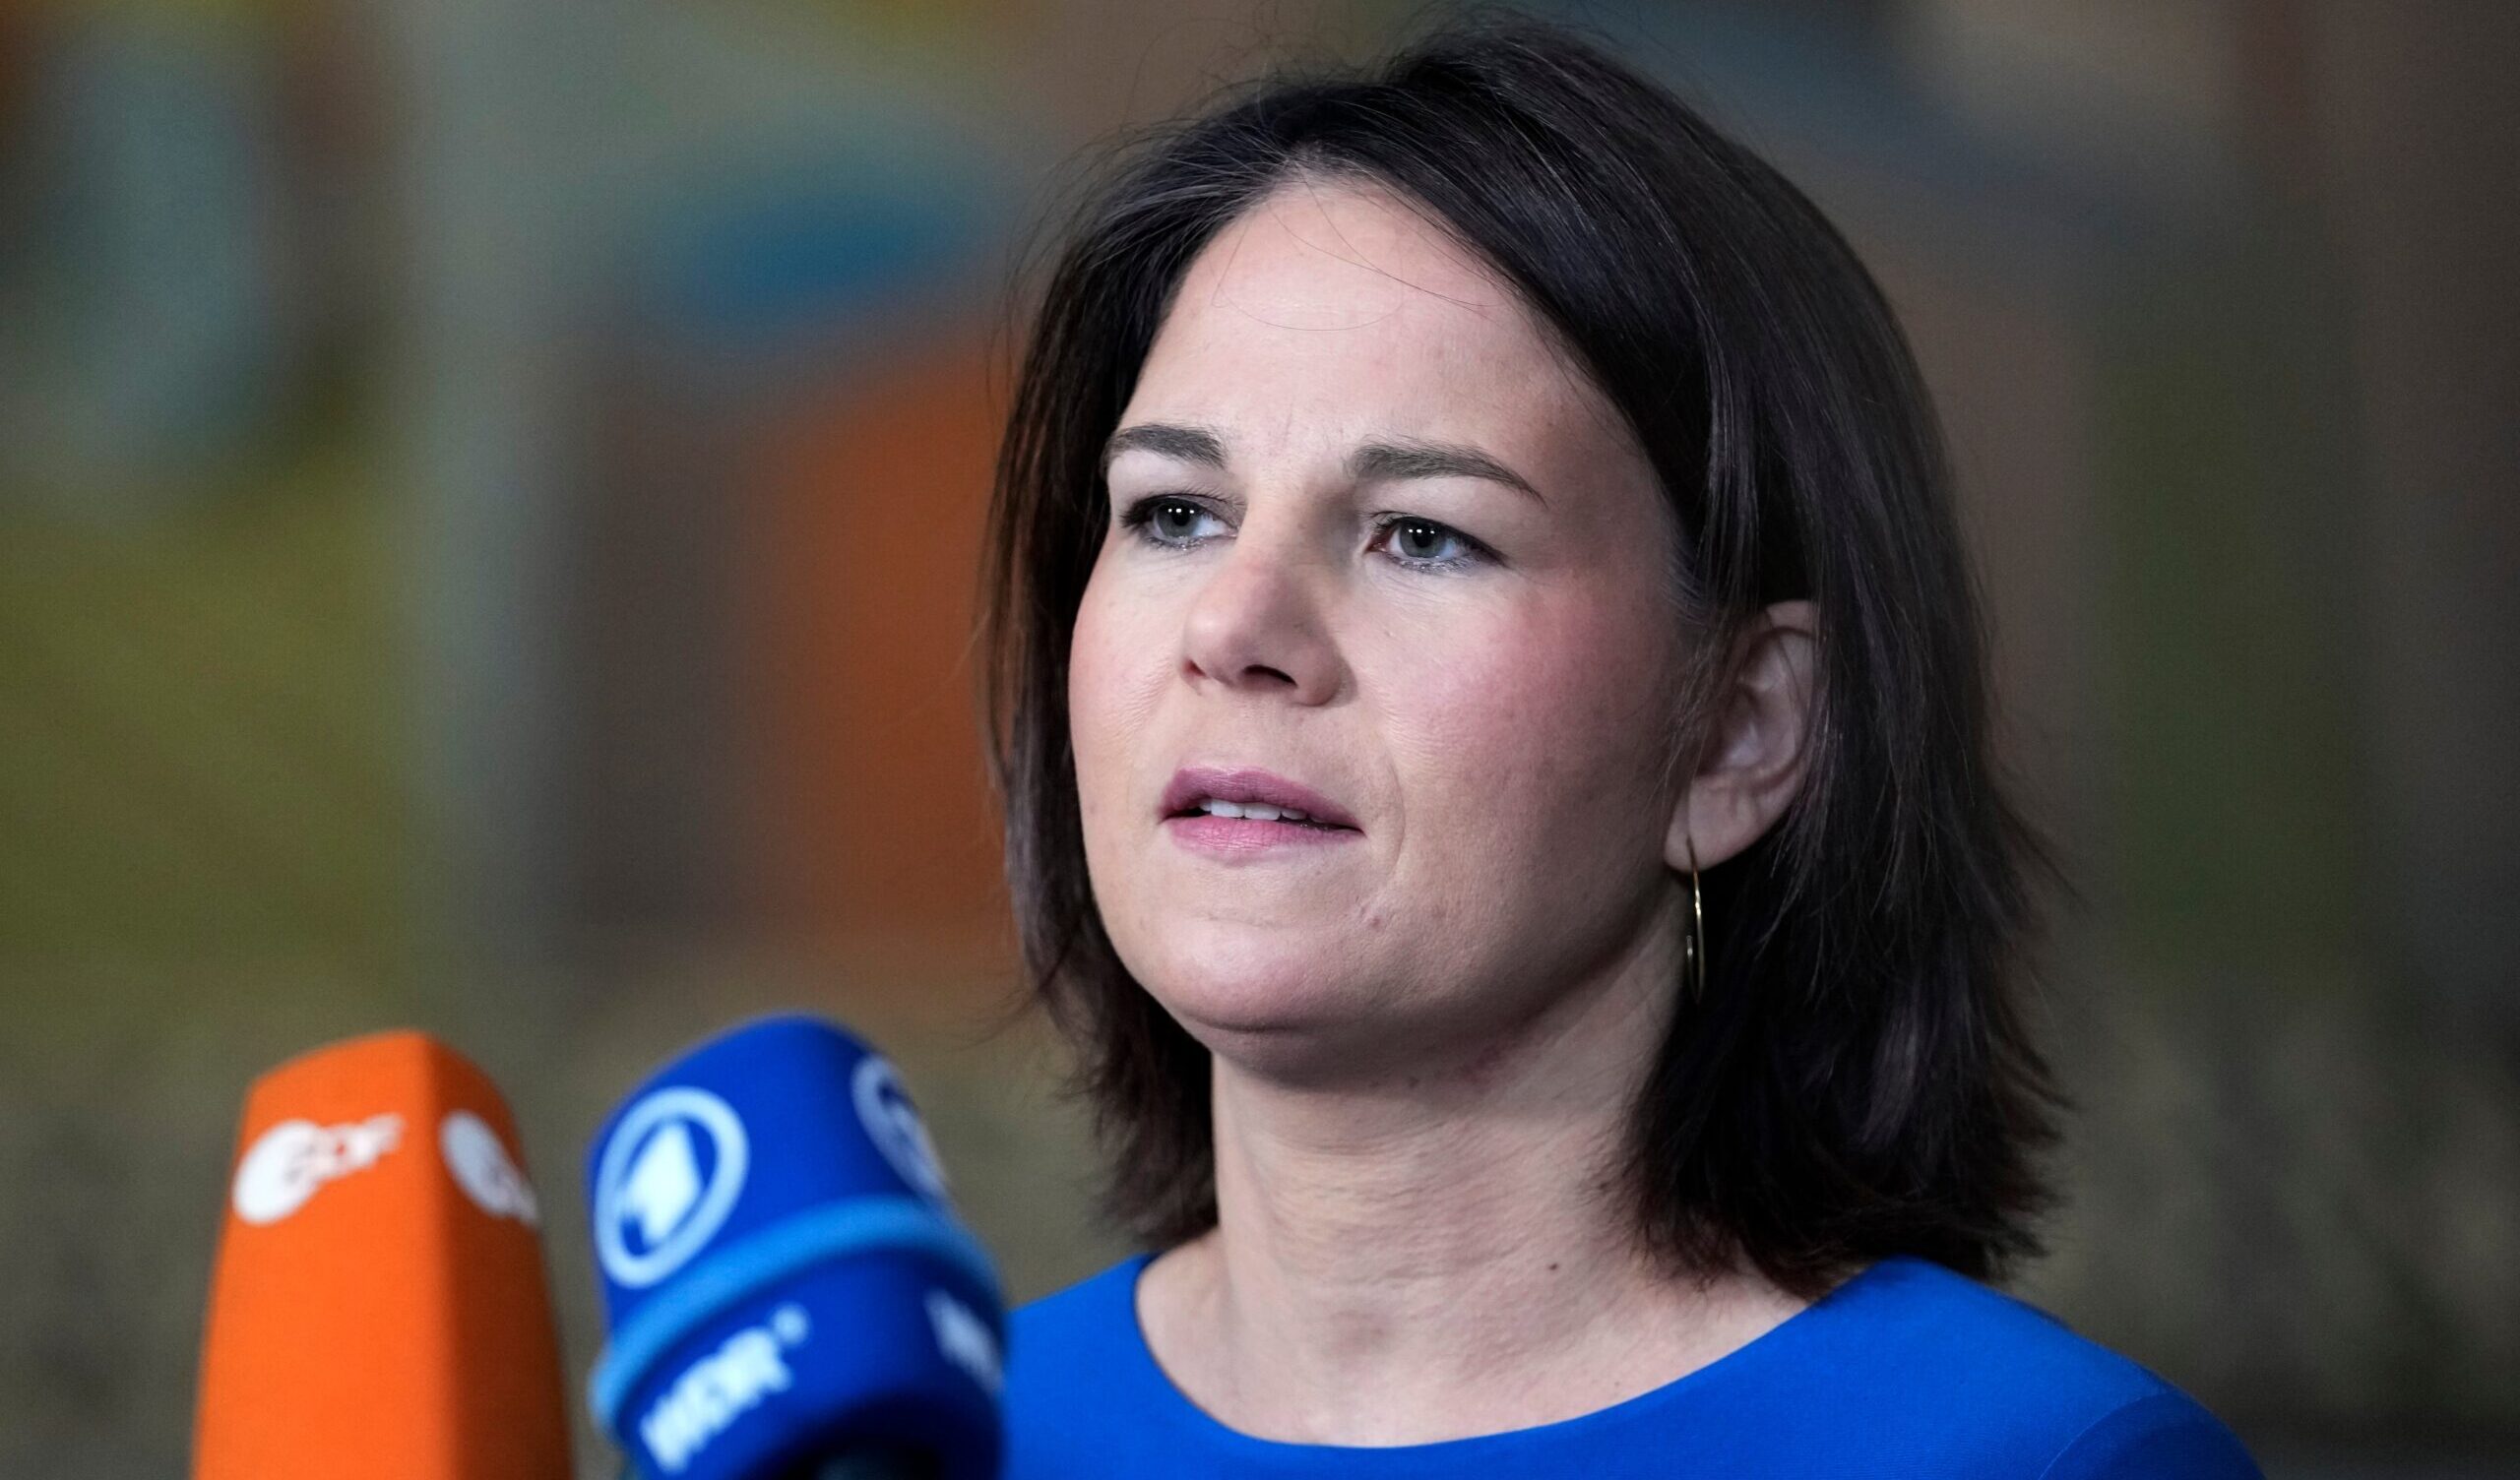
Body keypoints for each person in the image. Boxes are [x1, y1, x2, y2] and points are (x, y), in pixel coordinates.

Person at [977, 16, 2261, 1478]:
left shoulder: (2034, 1459)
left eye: (1423, 534)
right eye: (1175, 513)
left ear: (1738, 730)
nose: (1233, 625)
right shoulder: (927, 1440)